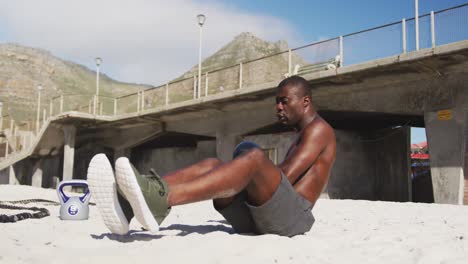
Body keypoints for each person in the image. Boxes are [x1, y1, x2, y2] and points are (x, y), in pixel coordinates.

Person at [87, 75, 336, 237]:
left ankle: (162, 199)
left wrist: (239, 175)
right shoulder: (305, 131)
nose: (278, 108)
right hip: (267, 219)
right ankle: (134, 203)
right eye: (277, 102)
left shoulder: (318, 130)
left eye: (284, 101)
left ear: (305, 102)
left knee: (253, 158)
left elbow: (286, 178)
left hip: (294, 222)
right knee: (216, 163)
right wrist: (228, 174)